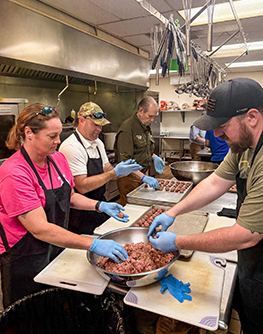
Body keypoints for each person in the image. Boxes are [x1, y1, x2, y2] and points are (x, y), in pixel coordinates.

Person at [147, 78, 263, 334]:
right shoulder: (242, 147)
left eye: (222, 126)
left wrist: (177, 241)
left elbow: (245, 236)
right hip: (252, 262)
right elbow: (214, 183)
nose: (217, 134)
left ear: (252, 117)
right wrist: (172, 212)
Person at [0, 103, 129, 308]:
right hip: (25, 257)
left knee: (56, 309)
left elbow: (69, 197)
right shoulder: (14, 172)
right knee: (29, 314)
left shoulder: (57, 159)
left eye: (59, 135)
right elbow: (40, 228)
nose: (58, 141)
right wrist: (92, 244)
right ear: (29, 133)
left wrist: (100, 206)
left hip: (56, 247)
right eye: (52, 136)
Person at [59, 101, 142, 234]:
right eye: (96, 124)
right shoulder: (72, 147)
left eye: (101, 125)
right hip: (80, 213)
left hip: (99, 205)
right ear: (82, 121)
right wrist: (113, 173)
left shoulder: (97, 143)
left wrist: (128, 172)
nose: (99, 129)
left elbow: (107, 168)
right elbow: (82, 186)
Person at [114, 96, 165, 206]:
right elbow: (124, 162)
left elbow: (145, 148)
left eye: (154, 117)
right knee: (130, 208)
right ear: (141, 111)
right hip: (129, 178)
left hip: (142, 174)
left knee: (142, 207)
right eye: (150, 116)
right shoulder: (127, 128)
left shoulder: (145, 125)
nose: (152, 120)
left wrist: (154, 157)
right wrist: (143, 177)